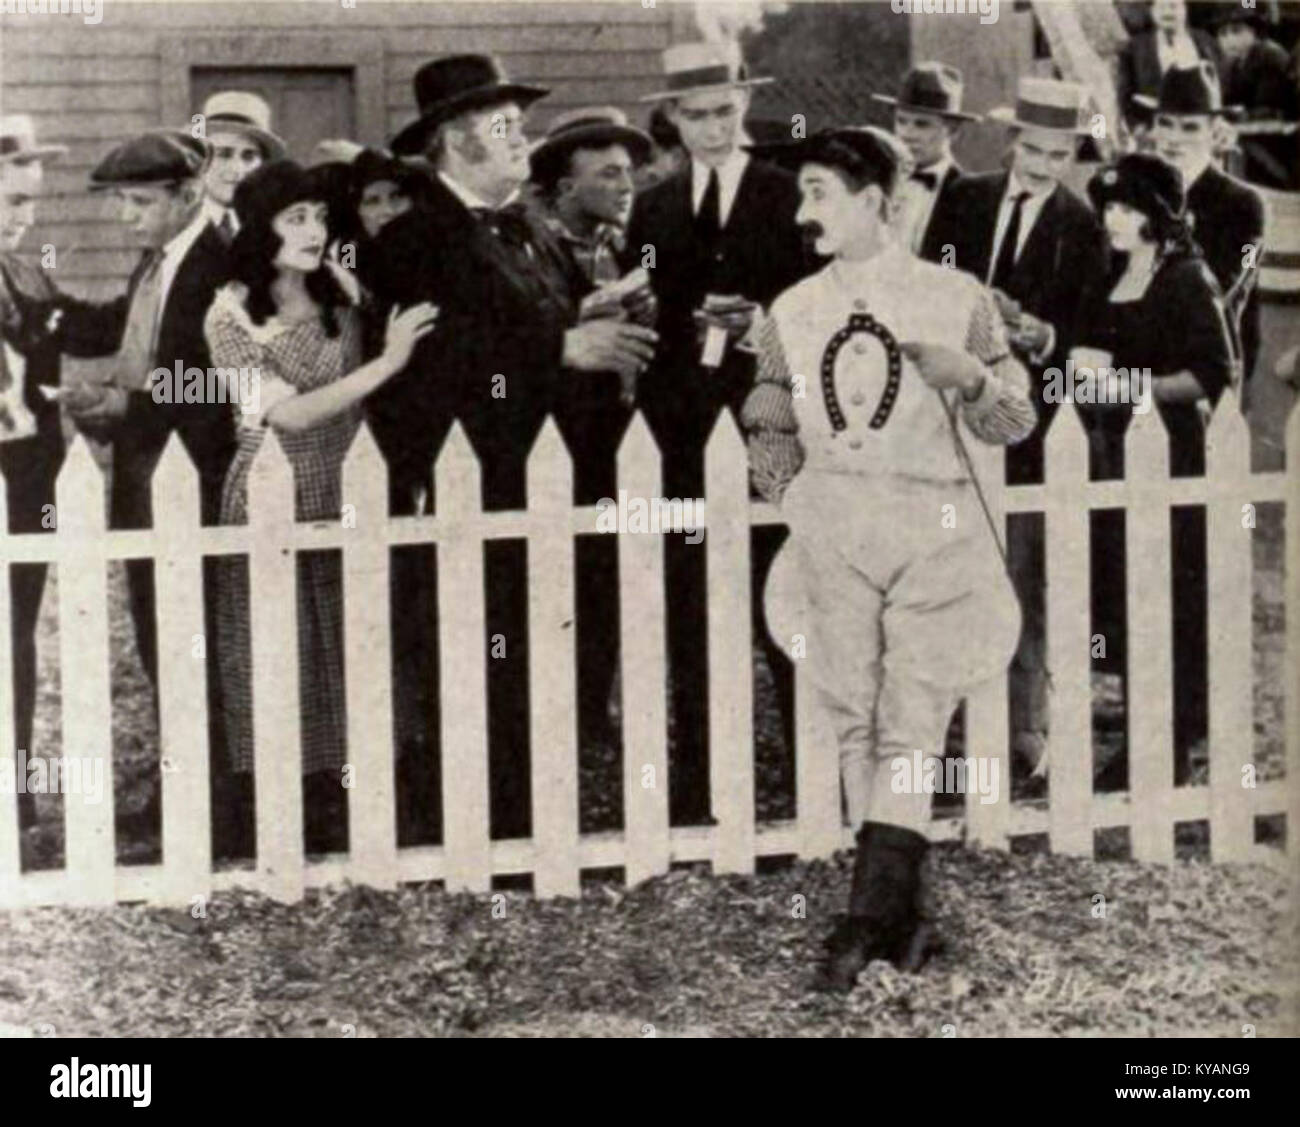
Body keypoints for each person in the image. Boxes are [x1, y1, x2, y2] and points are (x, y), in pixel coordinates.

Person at [740, 126, 1034, 988]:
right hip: (836, 522)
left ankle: (866, 920)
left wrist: (973, 380)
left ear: (878, 199)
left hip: (932, 522)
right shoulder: (790, 311)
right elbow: (768, 423)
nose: (804, 212)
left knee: (912, 714)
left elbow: (1014, 419)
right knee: (853, 711)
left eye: (821, 193)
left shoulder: (958, 297)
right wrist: (796, 500)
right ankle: (891, 918)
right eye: (802, 194)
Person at [371, 53, 657, 841]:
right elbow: (429, 360)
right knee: (479, 649)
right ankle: (479, 824)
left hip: (548, 470)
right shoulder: (413, 237)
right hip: (473, 476)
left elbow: (535, 315)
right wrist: (561, 350)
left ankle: (535, 810)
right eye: (506, 128)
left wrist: (599, 307)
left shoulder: (530, 224)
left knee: (542, 643)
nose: (522, 140)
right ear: (456, 141)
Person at [203, 160, 437, 855]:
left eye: (318, 216)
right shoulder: (230, 310)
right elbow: (290, 415)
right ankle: (284, 811)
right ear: (260, 226)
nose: (313, 230)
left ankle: (362, 803)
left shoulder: (341, 284)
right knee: (283, 650)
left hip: (352, 479)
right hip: (275, 488)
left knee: (357, 643)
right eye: (294, 218)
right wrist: (389, 361)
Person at [623, 41, 813, 824]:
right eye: (695, 115)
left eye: (724, 113)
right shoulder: (655, 204)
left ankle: (814, 779)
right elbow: (652, 305)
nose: (711, 127)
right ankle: (702, 787)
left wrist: (760, 325)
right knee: (695, 603)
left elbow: (816, 300)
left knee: (789, 599)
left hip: (771, 416)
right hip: (681, 427)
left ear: (743, 108)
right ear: (673, 119)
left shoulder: (787, 192)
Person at [928, 77, 1110, 769]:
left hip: (1031, 426)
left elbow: (1089, 329)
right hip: (952, 413)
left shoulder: (1082, 224)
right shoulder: (963, 198)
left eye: (1058, 155)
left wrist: (1038, 334)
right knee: (948, 570)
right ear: (1011, 143)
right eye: (1033, 150)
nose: (1042, 166)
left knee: (1022, 576)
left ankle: (1022, 734)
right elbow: (926, 282)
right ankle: (947, 733)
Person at [1073, 153, 1235, 772]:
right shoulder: (1110, 271)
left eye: (1127, 208)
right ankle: (1139, 732)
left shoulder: (1185, 277)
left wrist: (1130, 387)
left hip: (1168, 453)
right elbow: (1089, 352)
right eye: (1108, 207)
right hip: (1106, 453)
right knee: (1124, 592)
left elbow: (1212, 373)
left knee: (1171, 593)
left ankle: (1170, 739)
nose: (1113, 219)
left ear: (1158, 214)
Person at [530, 106, 655, 752]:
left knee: (606, 574)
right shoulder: (537, 248)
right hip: (557, 438)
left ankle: (589, 709)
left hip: (616, 435)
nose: (625, 185)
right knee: (559, 574)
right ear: (564, 188)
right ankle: (555, 713)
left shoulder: (619, 245)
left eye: (629, 172)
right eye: (608, 174)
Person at [0, 115, 69, 832]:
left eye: (32, 203)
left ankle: (13, 789)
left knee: (15, 631)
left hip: (24, 475)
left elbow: (70, 326)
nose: (28, 218)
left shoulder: (24, 270)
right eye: (15, 202)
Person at [1137, 62, 1266, 387]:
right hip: (1136, 363)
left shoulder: (1243, 203)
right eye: (1165, 123)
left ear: (1215, 131)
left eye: (1190, 127)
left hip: (1203, 371)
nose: (1173, 138)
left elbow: (1226, 287)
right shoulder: (1135, 190)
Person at [871, 61, 979, 262]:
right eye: (901, 121)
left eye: (922, 124)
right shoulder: (873, 181)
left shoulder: (971, 197)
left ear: (952, 130)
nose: (906, 134)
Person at [1210, 7, 1297, 188]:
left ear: (1253, 32)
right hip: (1254, 133)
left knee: (1233, 143)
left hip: (1282, 141)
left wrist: (1233, 116)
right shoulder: (1234, 64)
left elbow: (1271, 109)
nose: (1229, 40)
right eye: (1223, 34)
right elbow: (1229, 102)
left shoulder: (1269, 55)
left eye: (1236, 31)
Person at [196, 90, 288, 243]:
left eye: (249, 156)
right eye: (224, 154)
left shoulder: (274, 230)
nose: (237, 169)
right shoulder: (175, 227)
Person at [1118, 0, 1220, 134]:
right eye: (1161, 7)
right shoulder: (1135, 48)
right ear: (1152, 11)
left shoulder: (1206, 42)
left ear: (1185, 8)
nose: (1167, 13)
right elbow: (1125, 94)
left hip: (1200, 128)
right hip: (1155, 130)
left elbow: (1219, 83)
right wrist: (1137, 127)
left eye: (1173, 6)